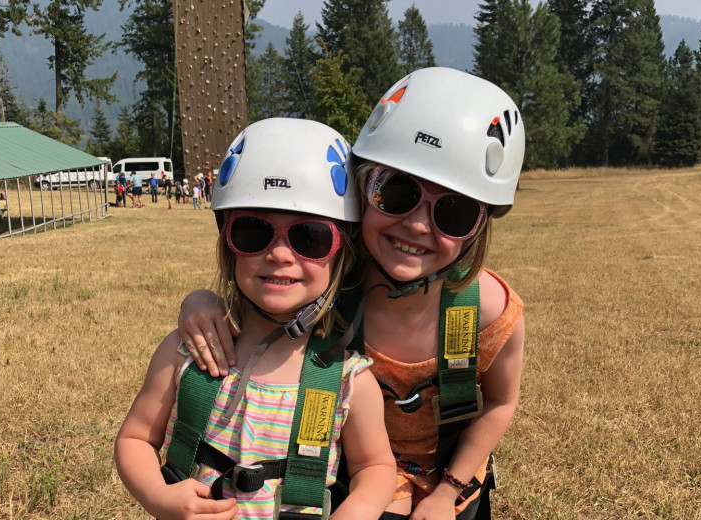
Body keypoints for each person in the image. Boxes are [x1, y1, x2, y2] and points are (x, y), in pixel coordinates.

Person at [177, 68, 526, 520]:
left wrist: (447, 493)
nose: (418, 225)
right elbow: (258, 297)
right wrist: (203, 301)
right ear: (362, 188)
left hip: (452, 480)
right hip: (350, 477)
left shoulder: (487, 310)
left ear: (478, 228)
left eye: (453, 212)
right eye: (395, 192)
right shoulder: (329, 281)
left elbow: (500, 402)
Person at [114, 118, 396, 520]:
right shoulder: (185, 354)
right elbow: (136, 437)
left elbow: (376, 468)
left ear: (341, 252)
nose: (280, 254)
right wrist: (159, 497)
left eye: (310, 237)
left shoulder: (348, 380)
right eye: (252, 232)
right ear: (228, 245)